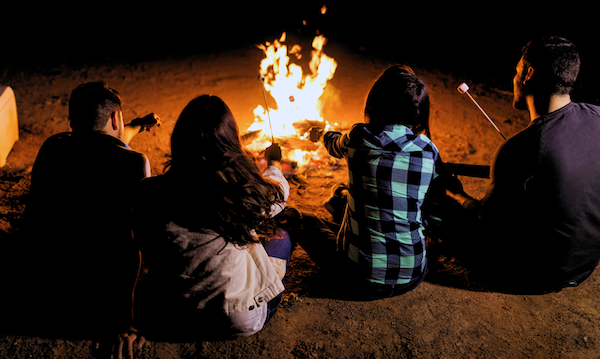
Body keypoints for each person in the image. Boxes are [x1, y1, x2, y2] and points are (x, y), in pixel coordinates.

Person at [115, 95, 292, 352]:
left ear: (178, 139)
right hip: (239, 318)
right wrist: (273, 164)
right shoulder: (241, 192)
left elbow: (142, 246)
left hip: (174, 317)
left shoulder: (147, 193)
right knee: (286, 224)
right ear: (230, 141)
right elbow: (279, 195)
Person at [5, 81, 162, 337]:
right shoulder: (134, 163)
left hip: (47, 290)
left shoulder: (51, 148)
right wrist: (125, 318)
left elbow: (102, 142)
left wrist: (137, 125)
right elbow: (137, 238)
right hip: (100, 297)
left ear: (71, 120)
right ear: (115, 118)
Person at [445, 36, 600, 293]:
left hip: (536, 277)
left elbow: (486, 220)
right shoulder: (597, 117)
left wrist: (456, 194)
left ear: (528, 75)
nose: (514, 78)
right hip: (584, 268)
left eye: (517, 71)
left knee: (449, 216)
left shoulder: (519, 148)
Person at [296, 65, 439, 299]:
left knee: (297, 218)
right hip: (412, 275)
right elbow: (433, 208)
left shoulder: (358, 137)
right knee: (347, 195)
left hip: (360, 277)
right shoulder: (428, 150)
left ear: (375, 103)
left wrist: (321, 133)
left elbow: (334, 143)